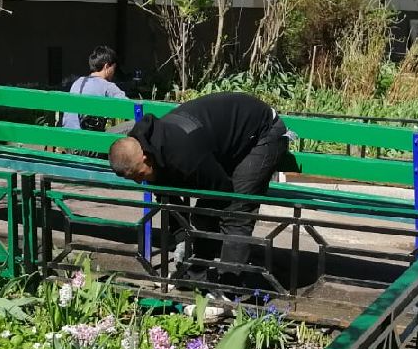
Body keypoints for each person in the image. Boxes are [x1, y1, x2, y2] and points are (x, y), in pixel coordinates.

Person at [107, 92, 290, 279]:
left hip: (264, 131)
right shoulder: (144, 147)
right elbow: (168, 199)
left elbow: (222, 193)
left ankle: (226, 289)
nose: (140, 181)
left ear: (146, 157)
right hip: (226, 137)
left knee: (236, 210)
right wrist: (181, 239)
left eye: (139, 175)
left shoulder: (183, 154)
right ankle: (194, 277)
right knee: (204, 215)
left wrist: (196, 224)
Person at [60, 46, 128, 130]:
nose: (114, 72)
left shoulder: (77, 82)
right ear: (106, 67)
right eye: (114, 68)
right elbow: (128, 106)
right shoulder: (107, 86)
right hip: (89, 137)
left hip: (67, 134)